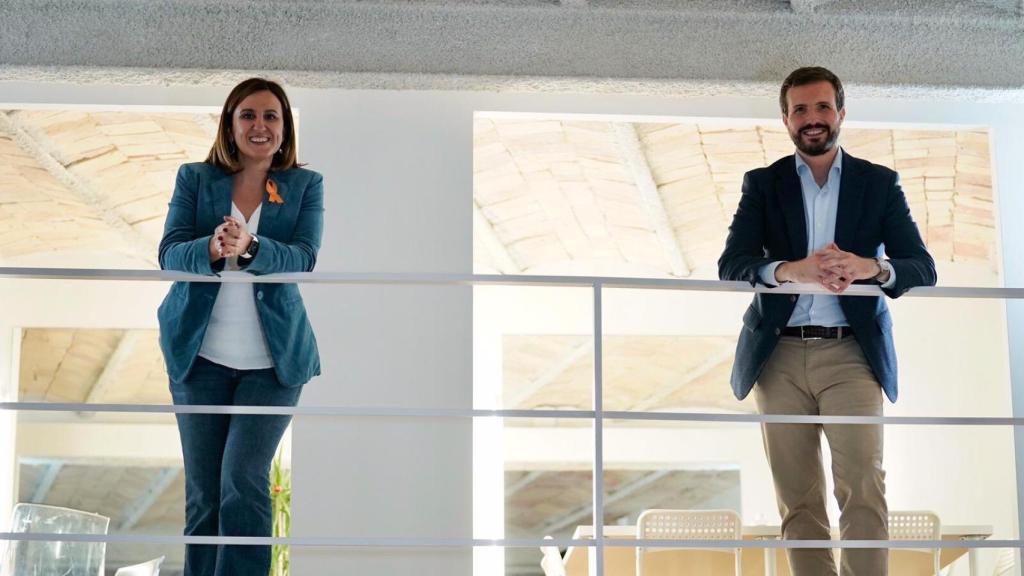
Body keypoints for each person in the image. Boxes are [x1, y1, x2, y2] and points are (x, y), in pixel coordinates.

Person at [718, 66, 936, 576]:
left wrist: (870, 269)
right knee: (797, 498)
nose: (811, 119)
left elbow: (921, 267)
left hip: (852, 355)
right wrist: (789, 270)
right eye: (799, 110)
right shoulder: (763, 184)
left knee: (863, 487)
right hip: (778, 357)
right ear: (786, 119)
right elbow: (732, 263)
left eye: (821, 108)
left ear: (840, 112)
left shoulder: (879, 184)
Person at [157, 77, 323, 576]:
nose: (260, 125)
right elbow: (169, 253)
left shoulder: (304, 185)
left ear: (284, 127)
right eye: (248, 115)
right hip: (199, 357)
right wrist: (212, 249)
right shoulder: (195, 178)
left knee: (243, 481)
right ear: (230, 125)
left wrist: (250, 250)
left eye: (271, 116)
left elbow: (304, 257)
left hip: (272, 364)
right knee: (205, 493)